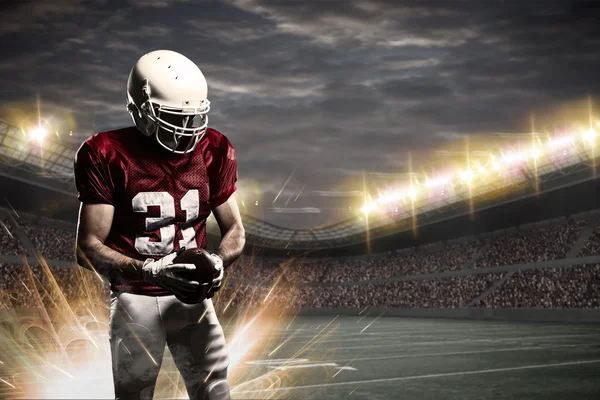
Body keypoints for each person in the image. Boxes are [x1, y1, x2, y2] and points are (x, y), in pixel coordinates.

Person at [74, 49, 245, 400]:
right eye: (173, 118)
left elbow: (236, 229)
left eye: (193, 119)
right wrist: (150, 270)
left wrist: (218, 261)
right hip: (136, 298)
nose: (187, 132)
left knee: (215, 391)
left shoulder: (214, 148)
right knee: (135, 394)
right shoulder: (105, 152)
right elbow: (87, 246)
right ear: (141, 111)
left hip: (192, 299)